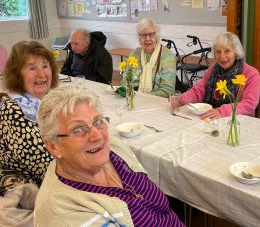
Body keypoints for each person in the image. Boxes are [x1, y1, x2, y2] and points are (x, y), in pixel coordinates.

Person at [35, 86, 184, 226]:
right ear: (53, 146)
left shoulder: (114, 150)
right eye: (78, 130)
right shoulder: (65, 215)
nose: (97, 136)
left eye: (98, 122)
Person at [0, 41, 58, 196]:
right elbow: (43, 166)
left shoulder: (46, 100)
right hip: (28, 187)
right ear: (17, 74)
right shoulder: (13, 110)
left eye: (45, 66)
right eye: (32, 68)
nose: (41, 74)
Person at [171, 32, 260, 119]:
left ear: (236, 52)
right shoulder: (213, 69)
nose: (222, 56)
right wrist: (182, 98)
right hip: (212, 118)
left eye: (227, 51)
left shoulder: (251, 74)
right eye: (218, 51)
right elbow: (199, 90)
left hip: (238, 121)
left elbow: (249, 104)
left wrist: (221, 111)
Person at [128, 18, 176, 98]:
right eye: (143, 35)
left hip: (157, 102)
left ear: (156, 36)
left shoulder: (168, 56)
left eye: (151, 34)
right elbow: (126, 81)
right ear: (139, 38)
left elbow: (167, 91)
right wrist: (124, 91)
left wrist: (142, 97)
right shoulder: (135, 54)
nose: (147, 39)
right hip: (134, 99)